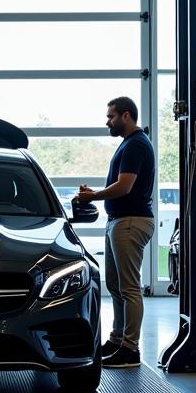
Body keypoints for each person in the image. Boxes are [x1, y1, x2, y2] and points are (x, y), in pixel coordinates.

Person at [76, 96, 156, 368]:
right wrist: (96, 194)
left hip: (131, 222)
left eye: (111, 116)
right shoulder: (130, 144)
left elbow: (124, 187)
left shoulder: (135, 145)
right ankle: (117, 339)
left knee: (130, 288)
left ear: (126, 115)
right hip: (119, 221)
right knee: (116, 286)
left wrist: (93, 196)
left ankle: (130, 349)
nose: (107, 121)